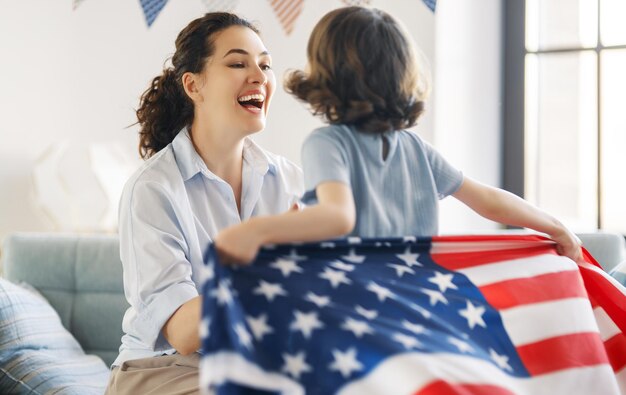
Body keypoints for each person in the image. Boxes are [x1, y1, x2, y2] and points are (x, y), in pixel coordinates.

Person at [214, 6, 582, 265]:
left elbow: (337, 218)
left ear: (327, 73)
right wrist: (555, 226)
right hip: (419, 302)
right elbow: (488, 200)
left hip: (362, 309)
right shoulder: (414, 146)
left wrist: (255, 232)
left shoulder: (327, 143)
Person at [105, 12, 303, 395]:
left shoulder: (289, 182)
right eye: (237, 63)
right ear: (193, 86)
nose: (259, 76)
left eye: (265, 64)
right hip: (160, 371)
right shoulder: (154, 189)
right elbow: (183, 333)